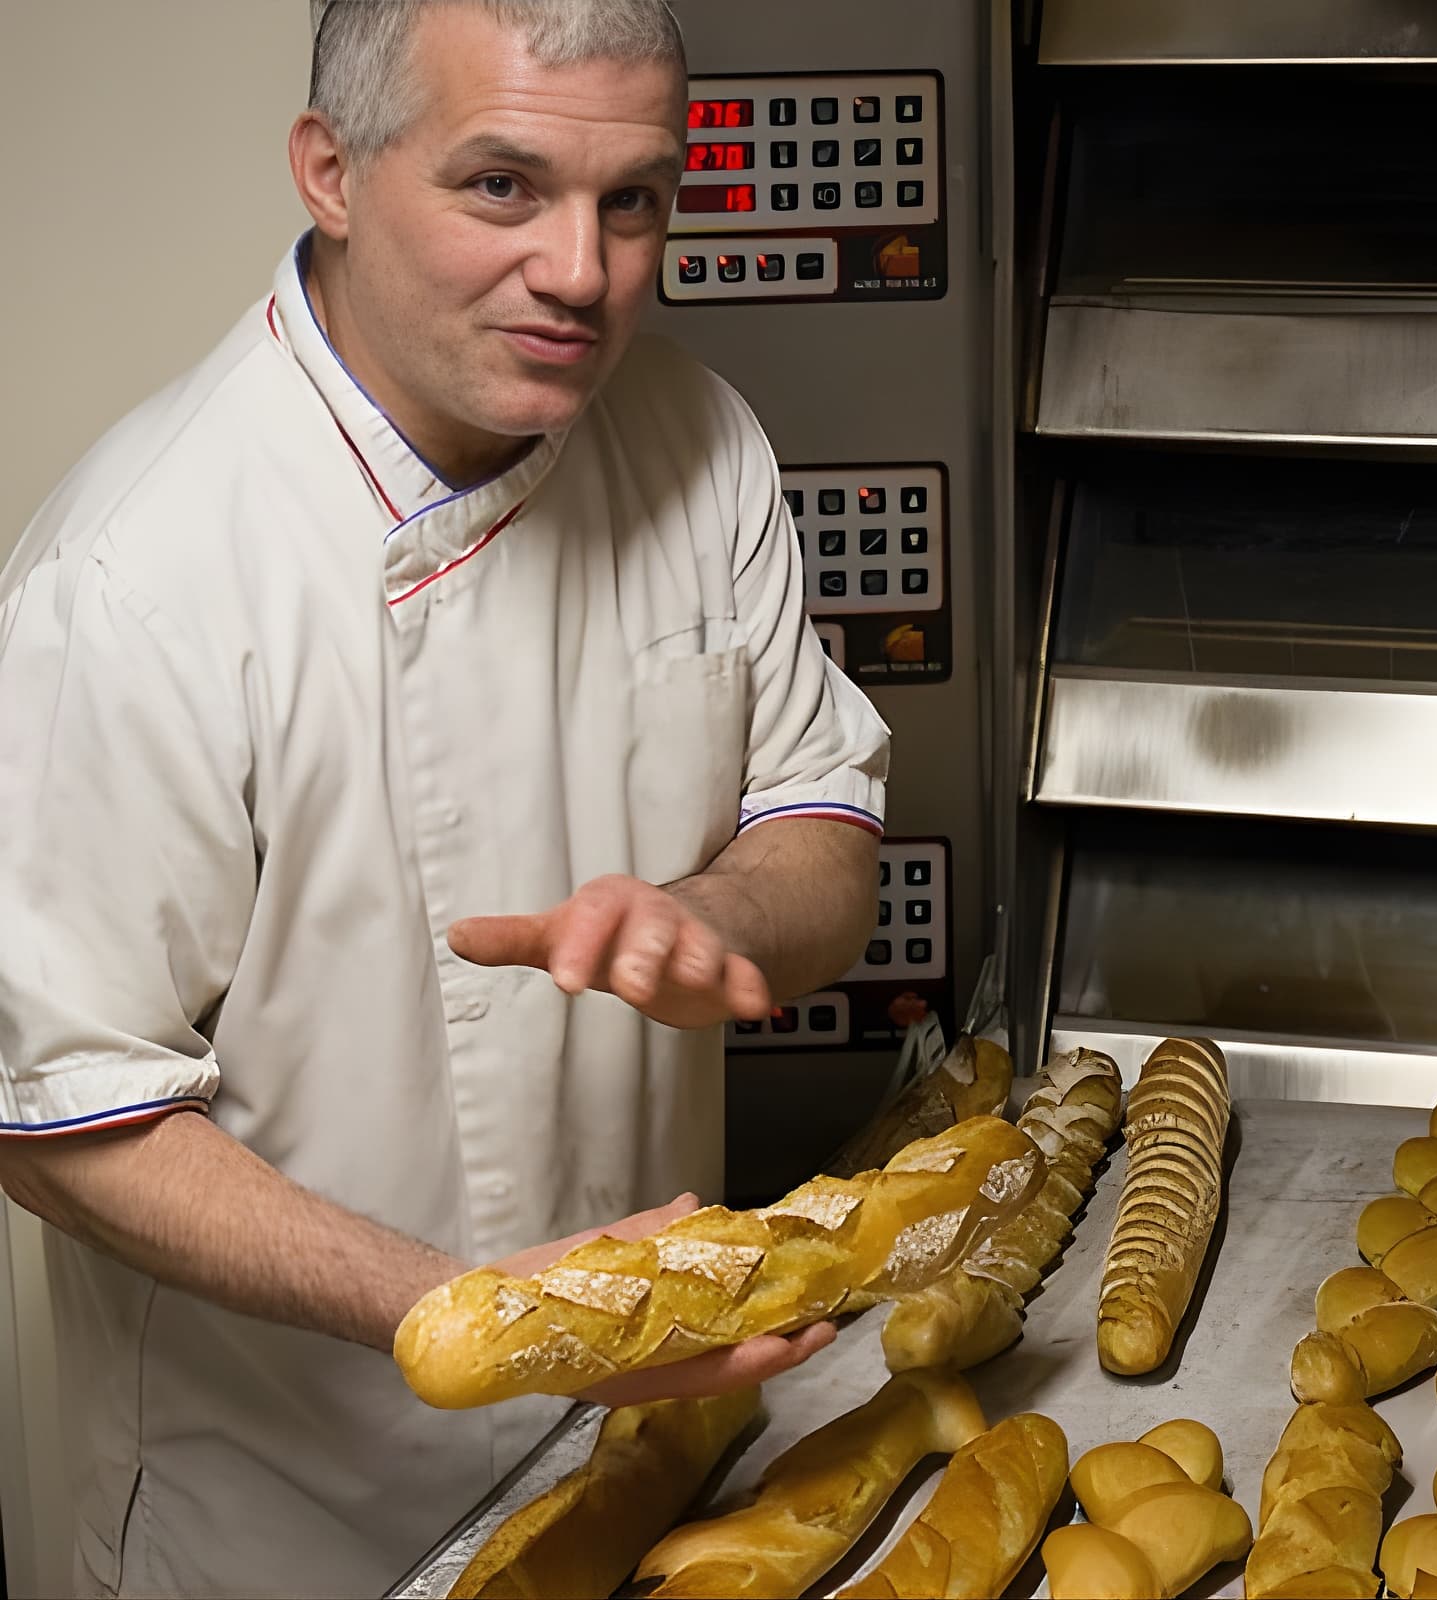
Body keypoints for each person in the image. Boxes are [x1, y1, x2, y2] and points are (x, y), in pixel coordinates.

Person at [0, 1, 889, 1594]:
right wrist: (488, 1313)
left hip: (650, 1443)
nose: (581, 271)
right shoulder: (136, 579)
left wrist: (714, 915)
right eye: (503, 186)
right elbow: (58, 1114)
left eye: (633, 202)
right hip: (287, 1519)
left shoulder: (700, 443)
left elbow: (823, 834)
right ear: (330, 171)